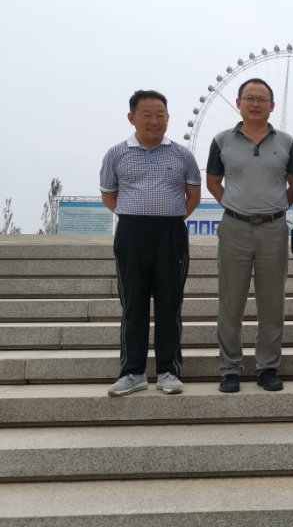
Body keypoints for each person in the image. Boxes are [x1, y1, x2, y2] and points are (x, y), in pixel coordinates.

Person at [100, 90, 201, 396]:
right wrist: (135, 216)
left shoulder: (183, 155)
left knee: (170, 304)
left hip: (171, 233)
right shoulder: (116, 154)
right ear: (132, 118)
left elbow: (193, 197)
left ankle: (169, 371)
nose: (155, 121)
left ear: (168, 118)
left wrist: (168, 218)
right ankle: (132, 372)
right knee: (133, 304)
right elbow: (109, 195)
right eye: (147, 115)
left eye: (161, 115)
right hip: (132, 233)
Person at [206, 78, 293, 394]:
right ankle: (230, 369)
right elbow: (213, 181)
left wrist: (276, 207)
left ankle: (268, 367)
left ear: (272, 106)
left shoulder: (287, 143)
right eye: (250, 98)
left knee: (272, 302)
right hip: (234, 228)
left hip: (274, 229)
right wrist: (235, 205)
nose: (256, 104)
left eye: (262, 99)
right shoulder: (221, 141)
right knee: (230, 301)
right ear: (239, 103)